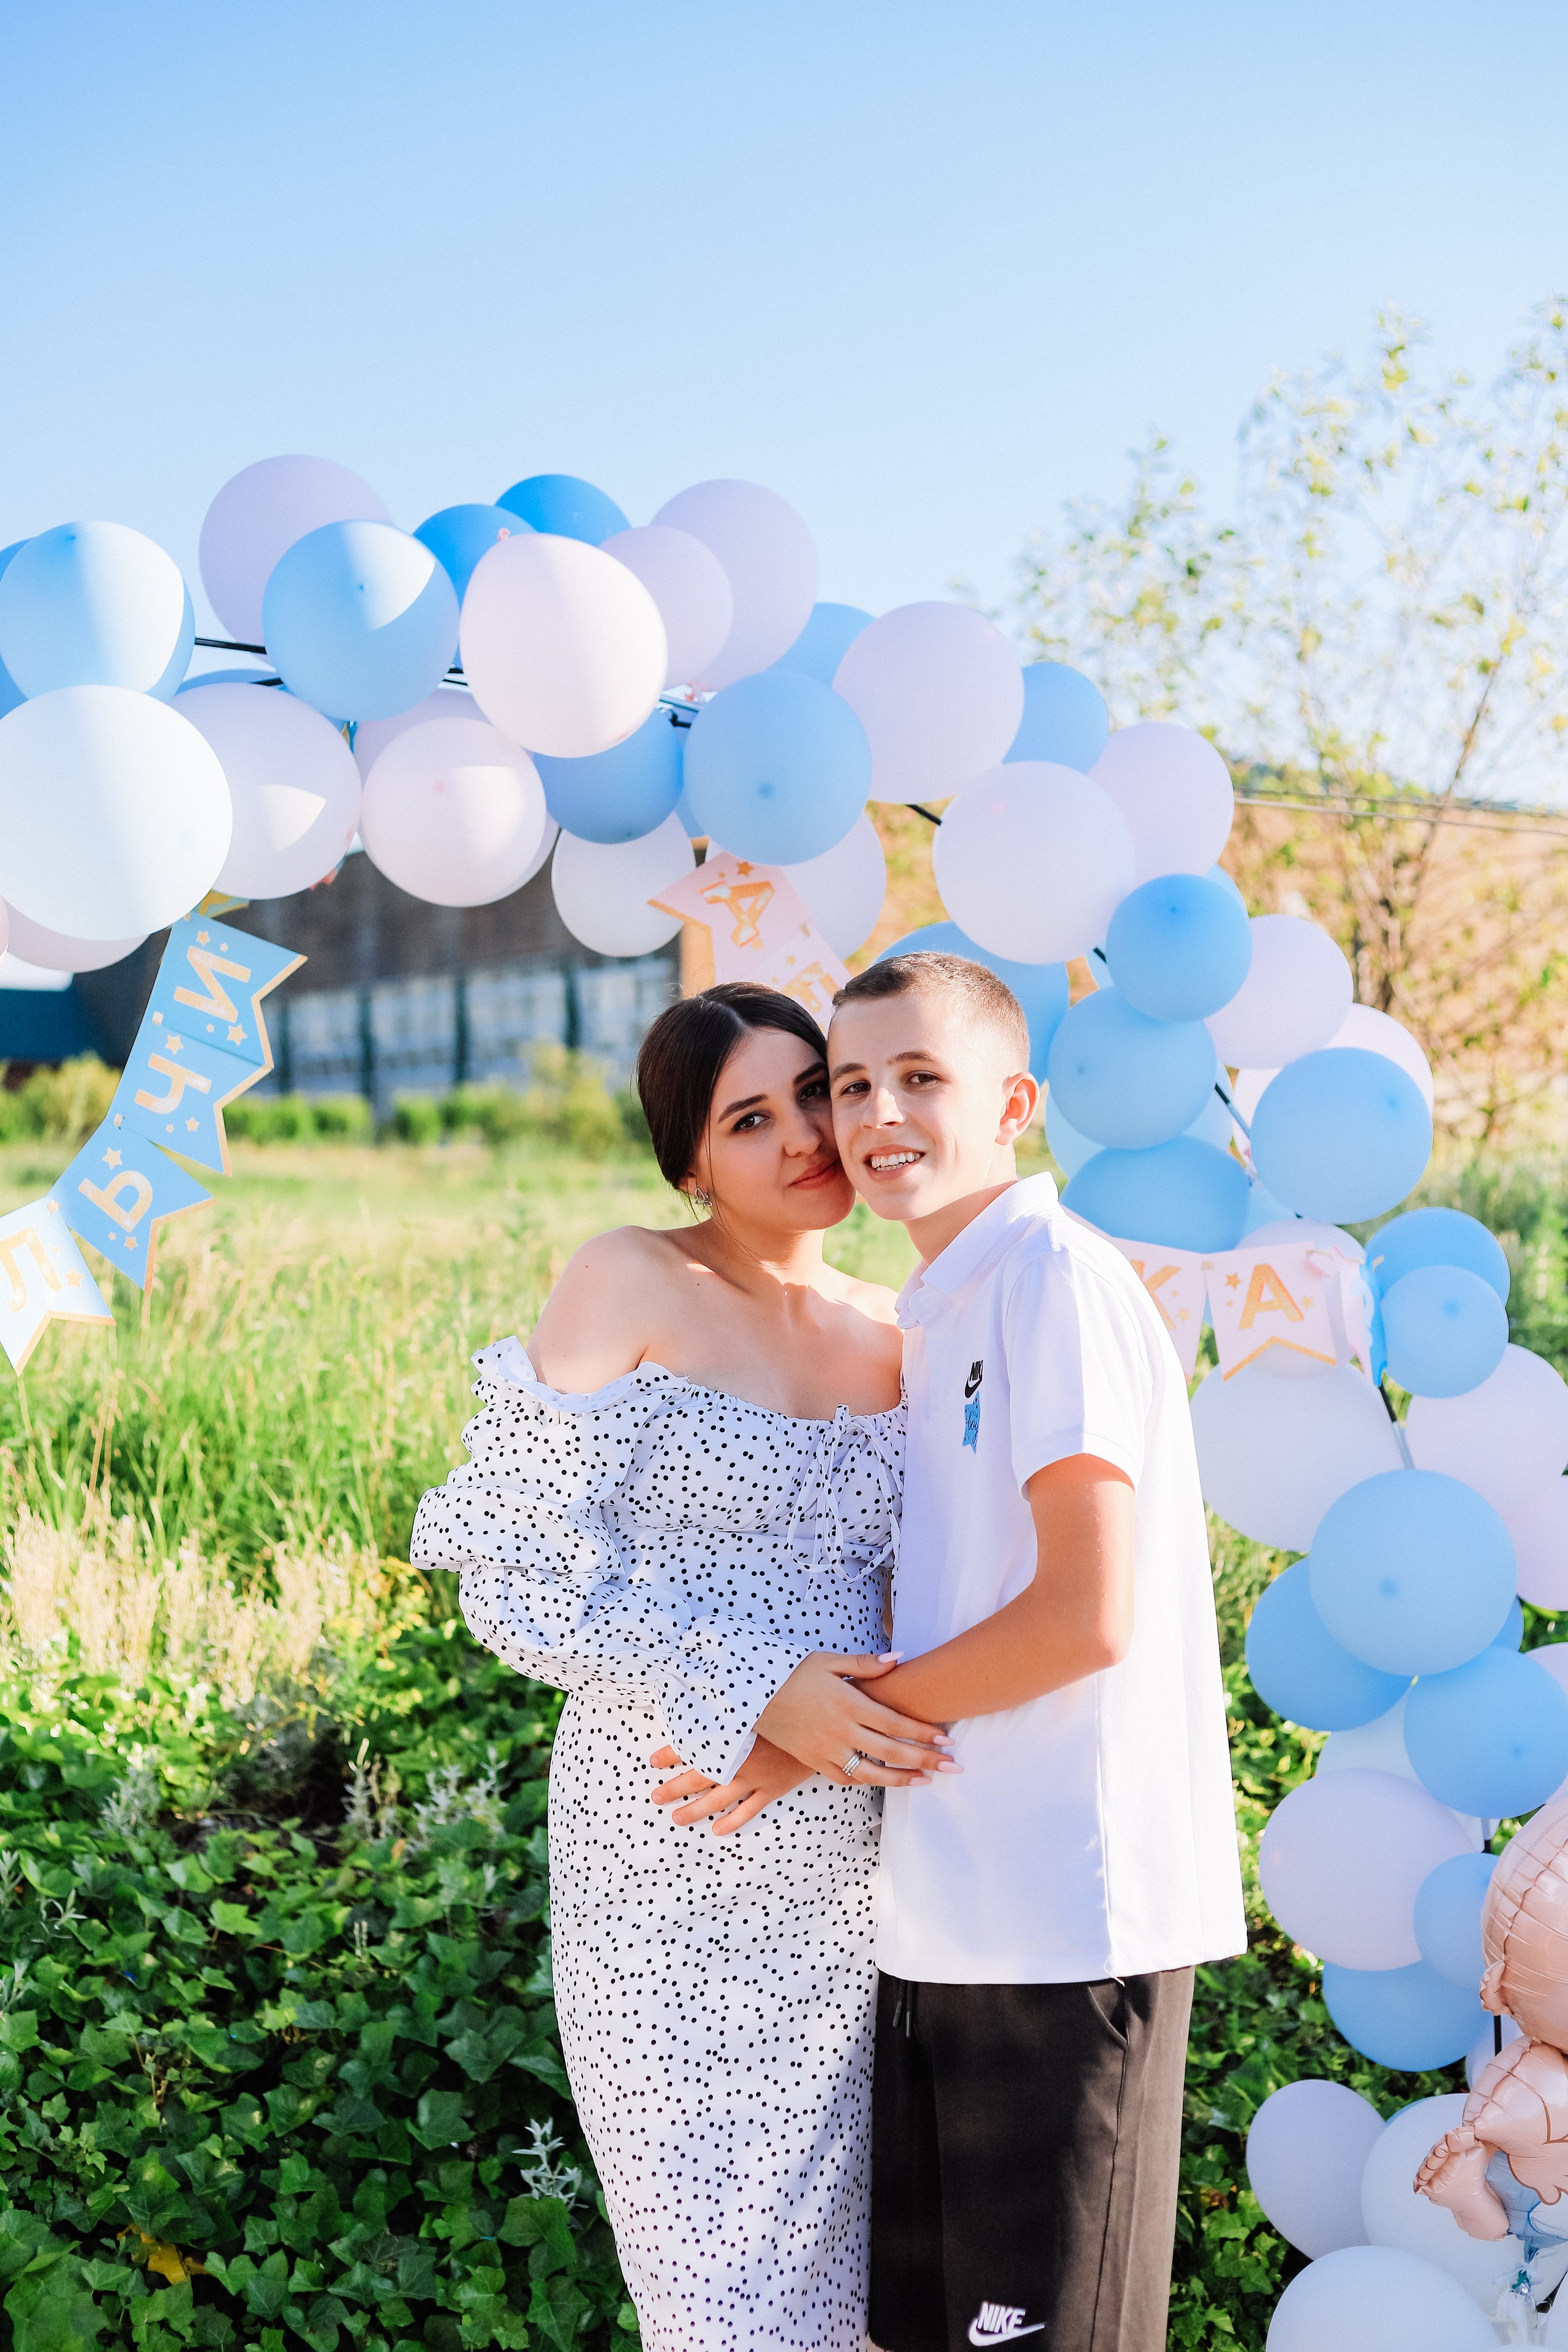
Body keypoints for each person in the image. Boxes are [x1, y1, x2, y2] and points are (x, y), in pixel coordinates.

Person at [410, 981, 954, 2352]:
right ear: (688, 1157)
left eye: (813, 1096)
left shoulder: (907, 1328)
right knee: (718, 2290)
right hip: (670, 1834)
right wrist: (754, 1685)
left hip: (861, 1851)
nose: (803, 1139)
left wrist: (844, 1724)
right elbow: (515, 1571)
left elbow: (942, 1595)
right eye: (747, 1117)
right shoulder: (631, 1277)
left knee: (861, 2278)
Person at [823, 951, 1245, 2352]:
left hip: (1069, 1919)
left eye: (918, 1077)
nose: (877, 1111)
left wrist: (831, 1723)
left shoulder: (1050, 1280)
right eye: (849, 1084)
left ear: (1012, 1099)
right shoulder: (938, 1307)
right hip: (947, 1912)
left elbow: (1086, 1613)